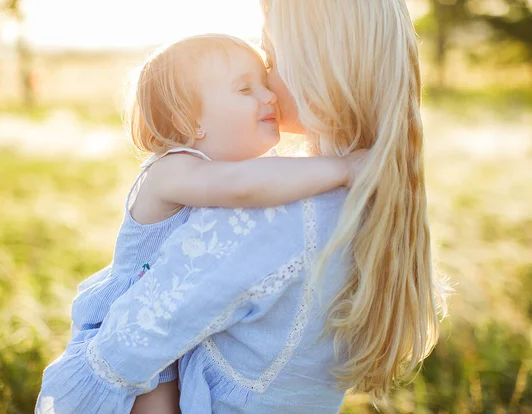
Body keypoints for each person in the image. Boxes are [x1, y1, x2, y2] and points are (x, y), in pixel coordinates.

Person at [36, 1, 449, 412]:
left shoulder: (282, 213)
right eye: (247, 83)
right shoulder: (364, 195)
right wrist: (342, 168)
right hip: (128, 300)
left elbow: (113, 361)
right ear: (191, 119)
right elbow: (239, 186)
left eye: (270, 57)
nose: (267, 86)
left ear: (314, 62)